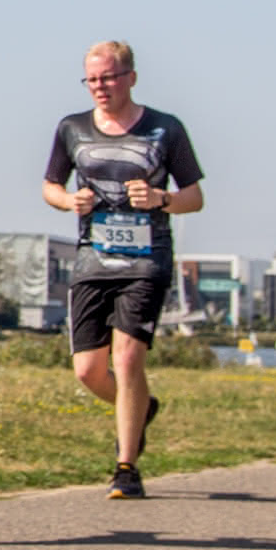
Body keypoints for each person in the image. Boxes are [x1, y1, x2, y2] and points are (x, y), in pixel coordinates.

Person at [42, 41, 204, 499]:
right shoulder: (71, 128)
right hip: (92, 261)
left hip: (146, 261)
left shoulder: (164, 129)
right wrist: (69, 200)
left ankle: (126, 467)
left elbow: (194, 195)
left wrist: (161, 199)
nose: (101, 87)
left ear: (131, 77)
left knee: (129, 357)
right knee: (89, 371)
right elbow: (50, 185)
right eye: (92, 80)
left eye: (109, 78)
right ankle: (140, 408)